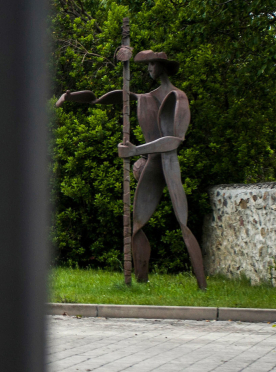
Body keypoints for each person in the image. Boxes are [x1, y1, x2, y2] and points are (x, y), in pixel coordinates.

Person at [55, 50, 207, 289]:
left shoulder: (179, 97)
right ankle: (141, 281)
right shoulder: (147, 97)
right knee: (137, 226)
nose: (148, 69)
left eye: (150, 65)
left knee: (183, 222)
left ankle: (202, 284)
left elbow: (175, 140)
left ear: (161, 66)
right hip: (151, 165)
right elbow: (116, 97)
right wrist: (74, 97)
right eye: (145, 65)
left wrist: (135, 151)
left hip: (168, 164)